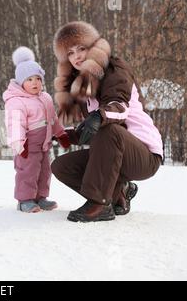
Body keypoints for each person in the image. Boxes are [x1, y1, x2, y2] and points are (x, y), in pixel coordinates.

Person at [51, 21, 163, 222]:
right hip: (114, 153)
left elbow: (118, 107)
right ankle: (116, 194)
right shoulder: (82, 87)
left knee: (107, 129)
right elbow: (90, 130)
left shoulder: (113, 69)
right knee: (61, 166)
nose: (76, 56)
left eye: (81, 49)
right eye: (70, 53)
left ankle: (99, 204)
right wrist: (63, 136)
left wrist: (98, 117)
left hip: (144, 155)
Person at [3, 47, 71, 213]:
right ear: (21, 82)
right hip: (27, 147)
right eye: (29, 79)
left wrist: (60, 133)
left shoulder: (45, 98)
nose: (35, 83)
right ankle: (25, 200)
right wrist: (20, 144)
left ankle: (41, 198)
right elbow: (15, 124)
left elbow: (52, 119)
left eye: (38, 79)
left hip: (44, 146)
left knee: (44, 172)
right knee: (27, 172)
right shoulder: (17, 101)